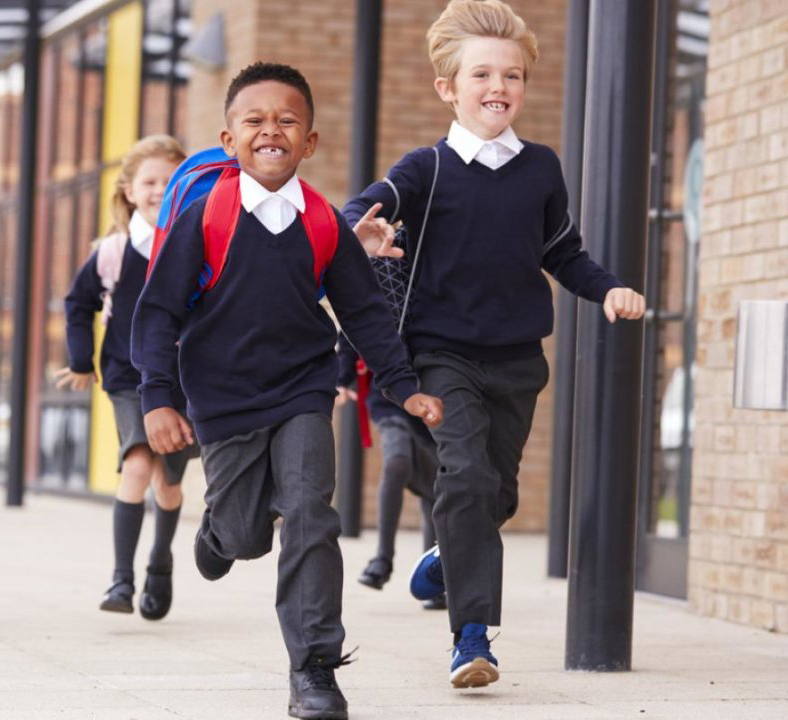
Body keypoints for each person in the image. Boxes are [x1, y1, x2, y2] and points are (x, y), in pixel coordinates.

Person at [344, 0, 647, 689]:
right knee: (469, 480)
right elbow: (359, 208)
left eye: (512, 75)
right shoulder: (426, 169)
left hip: (516, 360)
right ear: (448, 87)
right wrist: (362, 230)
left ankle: (447, 562)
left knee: (497, 495)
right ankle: (472, 639)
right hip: (441, 355)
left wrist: (606, 290)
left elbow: (563, 253)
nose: (498, 87)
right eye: (481, 73)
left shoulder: (541, 167)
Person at [131, 62, 443, 720]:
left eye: (288, 120)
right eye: (255, 119)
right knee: (247, 535)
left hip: (304, 389)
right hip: (222, 400)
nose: (271, 129)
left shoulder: (324, 223)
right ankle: (220, 532)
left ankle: (314, 671)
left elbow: (363, 314)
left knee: (310, 515)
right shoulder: (204, 215)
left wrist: (403, 386)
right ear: (229, 138)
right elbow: (158, 312)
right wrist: (158, 397)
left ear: (310, 142)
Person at [58, 134, 194, 621]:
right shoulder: (114, 251)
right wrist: (80, 360)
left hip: (184, 379)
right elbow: (78, 304)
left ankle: (160, 562)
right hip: (127, 375)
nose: (161, 190)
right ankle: (121, 578)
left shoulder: (197, 241)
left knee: (168, 482)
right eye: (150, 181)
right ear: (130, 190)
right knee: (138, 461)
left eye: (171, 180)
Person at [336, 339, 444, 610]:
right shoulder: (379, 294)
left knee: (435, 483)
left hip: (435, 394)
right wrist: (341, 377)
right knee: (397, 461)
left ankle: (432, 577)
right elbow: (356, 323)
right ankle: (382, 560)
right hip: (386, 392)